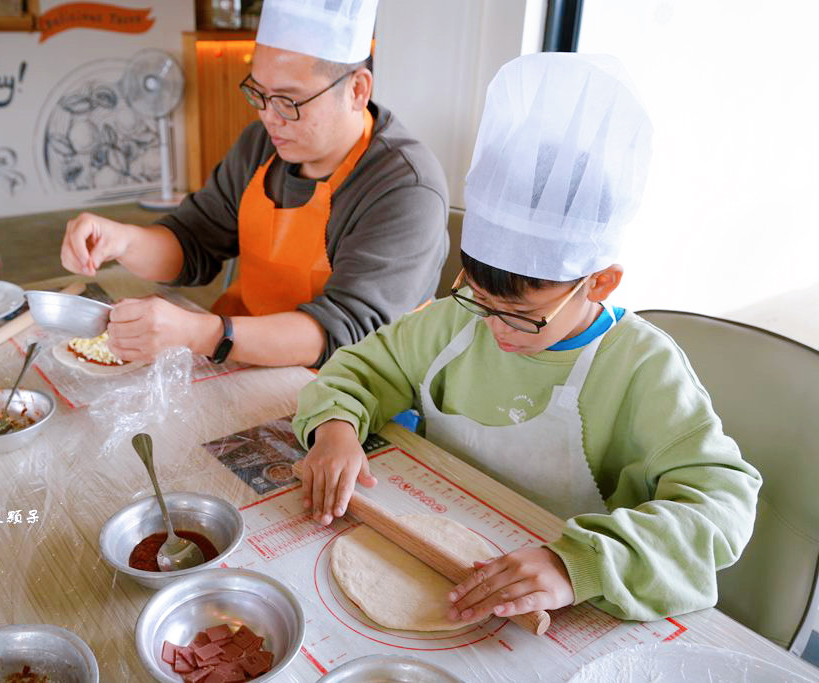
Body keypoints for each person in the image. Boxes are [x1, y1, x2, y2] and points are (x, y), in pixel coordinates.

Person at [291, 52, 761, 623]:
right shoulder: (455, 322)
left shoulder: (641, 367)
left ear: (601, 282)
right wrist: (337, 429)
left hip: (567, 600)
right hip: (441, 556)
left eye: (520, 315)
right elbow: (361, 370)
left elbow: (721, 507)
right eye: (478, 300)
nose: (491, 329)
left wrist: (579, 565)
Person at [59, 0, 449, 368]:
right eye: (259, 94)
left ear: (357, 90)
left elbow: (342, 331)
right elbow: (192, 241)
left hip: (353, 394)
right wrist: (122, 240)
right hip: (245, 359)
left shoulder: (405, 187)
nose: (269, 117)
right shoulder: (260, 147)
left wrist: (202, 333)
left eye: (288, 101)